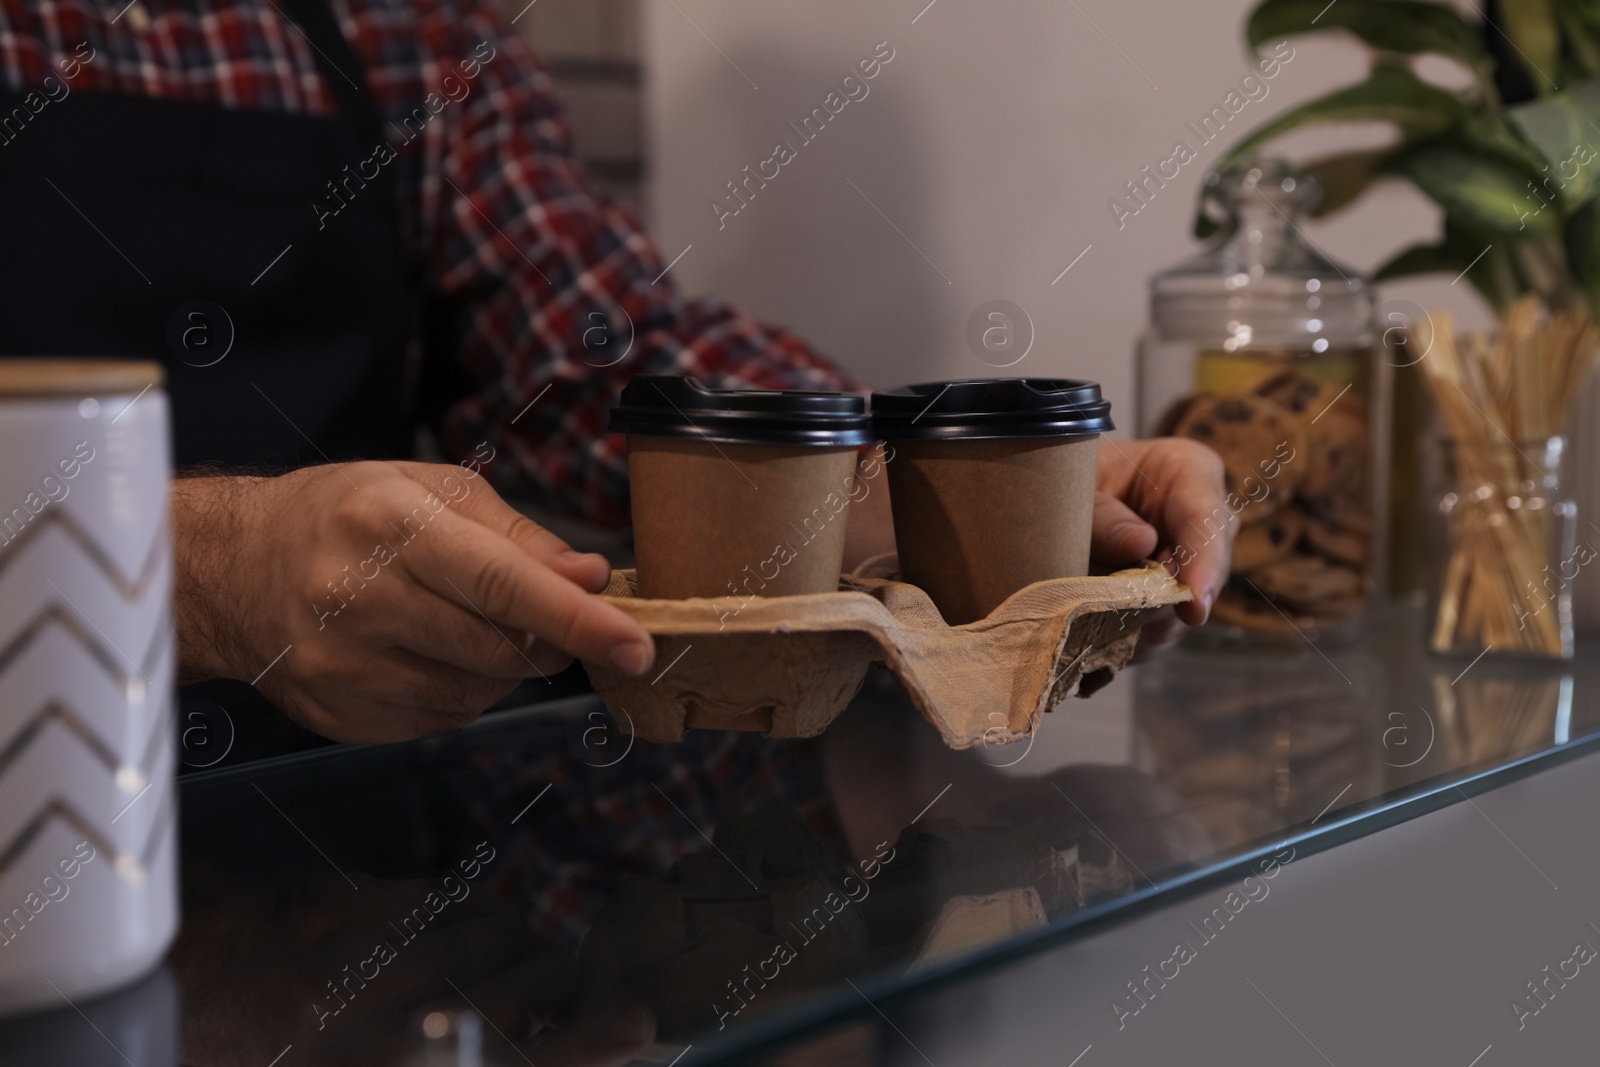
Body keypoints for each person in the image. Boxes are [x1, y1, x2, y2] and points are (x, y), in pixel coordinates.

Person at [0, 0, 1234, 745]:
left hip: (338, 834)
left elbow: (601, 361)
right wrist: (213, 567)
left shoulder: (396, 32)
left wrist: (942, 482)